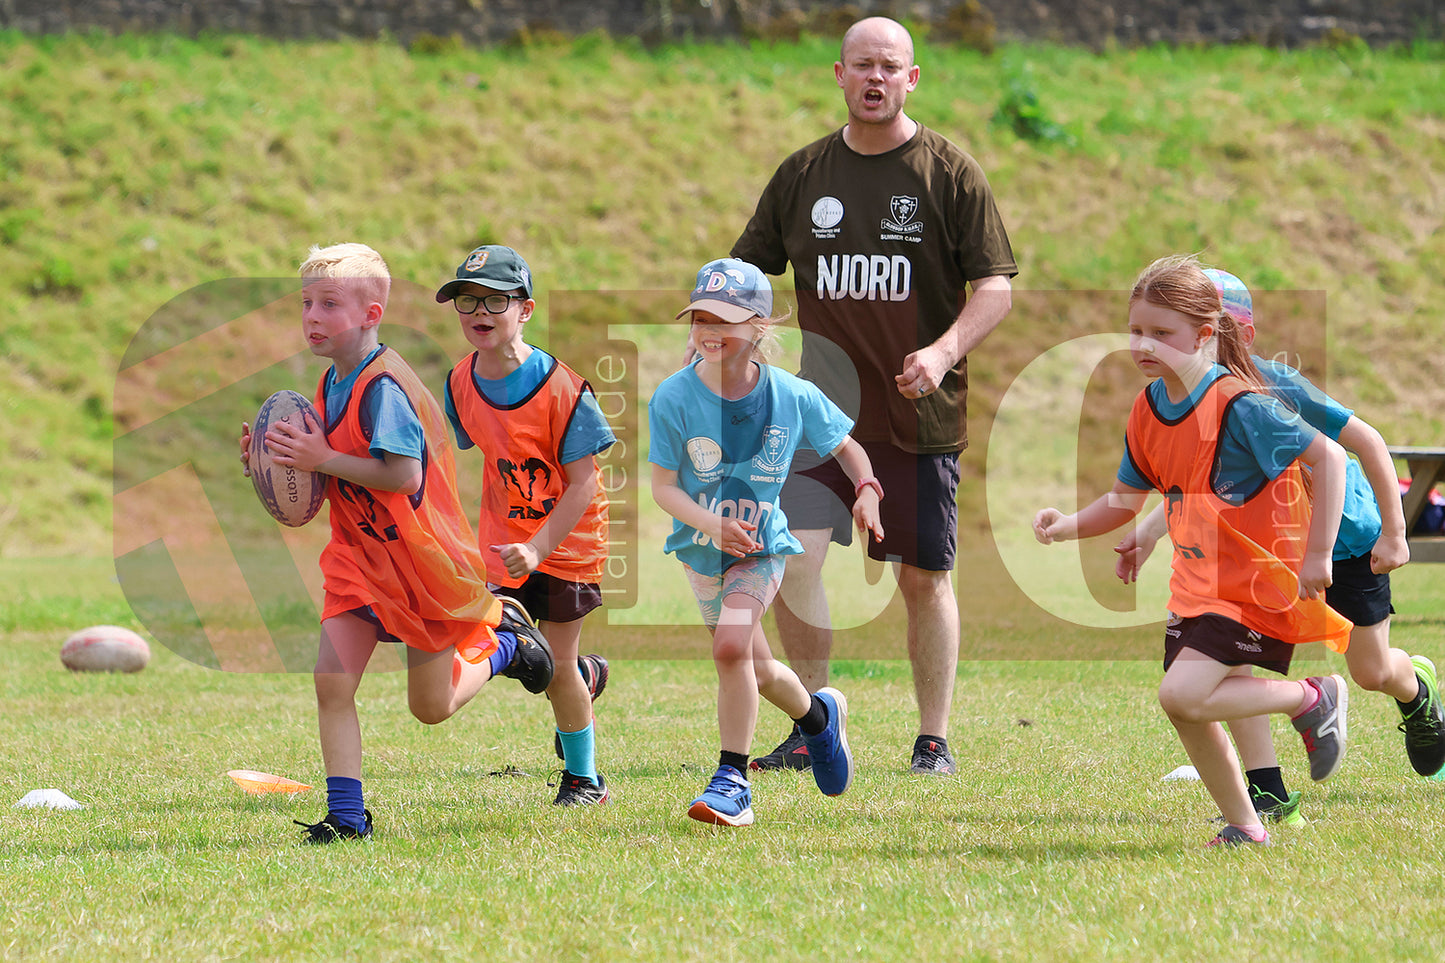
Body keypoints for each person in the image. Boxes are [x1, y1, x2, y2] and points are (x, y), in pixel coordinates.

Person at [730, 16, 1017, 776]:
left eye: (890, 66)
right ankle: (811, 719)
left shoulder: (950, 174)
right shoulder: (802, 176)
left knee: (922, 578)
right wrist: (750, 348)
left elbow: (994, 288)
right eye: (862, 65)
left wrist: (942, 348)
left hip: (914, 412)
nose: (875, 78)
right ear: (838, 73)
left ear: (911, 78)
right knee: (791, 565)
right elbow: (744, 280)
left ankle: (933, 738)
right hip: (813, 416)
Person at [1033, 254, 1354, 847]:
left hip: (1254, 588)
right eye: (1136, 331)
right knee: (1188, 709)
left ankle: (1312, 696)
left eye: (1162, 333)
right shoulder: (1147, 408)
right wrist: (1065, 525)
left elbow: (1330, 457)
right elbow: (1124, 501)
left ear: (1206, 335)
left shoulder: (1241, 404)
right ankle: (1245, 824)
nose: (1144, 345)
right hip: (1199, 587)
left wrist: (1318, 555)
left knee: (1181, 693)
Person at [239, 242, 554, 842]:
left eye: (328, 304)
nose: (311, 317)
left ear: (371, 313)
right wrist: (275, 464)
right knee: (332, 680)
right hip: (359, 560)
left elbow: (401, 476)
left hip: (419, 563)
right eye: (306, 303)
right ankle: (347, 818)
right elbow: (335, 476)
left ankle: (505, 648)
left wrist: (322, 456)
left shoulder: (382, 385)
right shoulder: (331, 382)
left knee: (430, 707)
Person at [1115, 268, 1445, 825]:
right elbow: (1197, 486)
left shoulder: (1270, 386)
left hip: (1343, 545)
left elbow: (1364, 442)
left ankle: (1415, 691)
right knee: (1228, 666)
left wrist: (1394, 531)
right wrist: (1148, 532)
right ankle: (1267, 791)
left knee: (1369, 672)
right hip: (1269, 558)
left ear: (1227, 334)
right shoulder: (1186, 398)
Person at [648, 258, 880, 826]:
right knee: (756, 665)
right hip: (702, 552)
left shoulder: (791, 394)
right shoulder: (673, 398)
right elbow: (662, 489)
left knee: (730, 649)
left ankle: (732, 780)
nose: (709, 328)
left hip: (760, 548)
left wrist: (867, 490)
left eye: (725, 318)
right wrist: (709, 525)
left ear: (759, 326)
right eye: (701, 315)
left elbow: (847, 446)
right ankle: (820, 723)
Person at [437, 244, 617, 807]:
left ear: (526, 309)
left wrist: (538, 548)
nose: (479, 312)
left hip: (567, 543)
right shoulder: (460, 382)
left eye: (495, 299)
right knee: (508, 649)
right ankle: (585, 680)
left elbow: (584, 482)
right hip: (502, 544)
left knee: (555, 662)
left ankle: (584, 780)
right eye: (468, 300)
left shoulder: (565, 389)